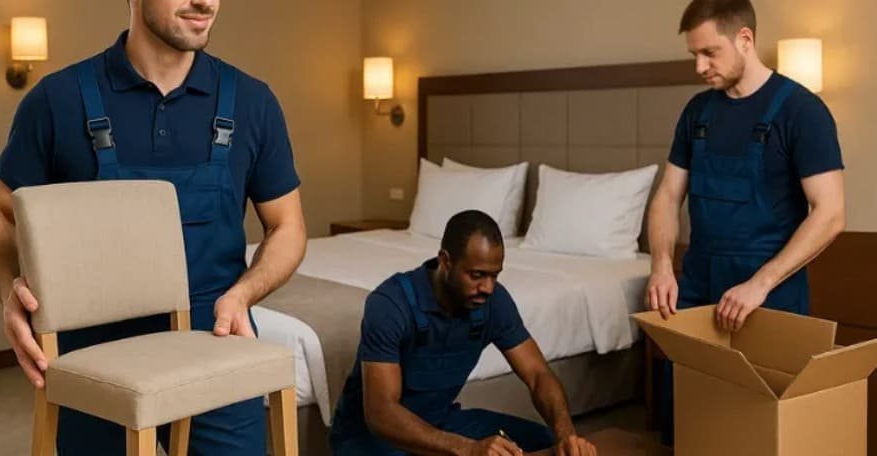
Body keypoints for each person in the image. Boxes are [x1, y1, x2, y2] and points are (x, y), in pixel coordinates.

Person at [0, 0, 307, 454]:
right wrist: (9, 291)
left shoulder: (253, 102)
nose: (205, 1)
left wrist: (242, 295)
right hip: (93, 354)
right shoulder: (58, 100)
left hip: (215, 336)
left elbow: (287, 227)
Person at [645, 0, 846, 444]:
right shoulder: (697, 113)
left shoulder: (802, 111)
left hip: (769, 296)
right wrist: (661, 264)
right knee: (690, 428)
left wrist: (760, 283)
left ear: (745, 40)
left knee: (762, 434)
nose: (699, 66)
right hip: (698, 289)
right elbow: (666, 196)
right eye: (693, 55)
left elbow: (830, 214)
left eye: (710, 53)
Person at [329, 210, 596, 456]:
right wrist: (467, 449)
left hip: (439, 421)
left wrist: (566, 436)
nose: (488, 288)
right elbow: (381, 414)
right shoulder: (390, 304)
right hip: (369, 439)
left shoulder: (493, 302)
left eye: (495, 275)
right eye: (477, 275)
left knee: (546, 441)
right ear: (446, 261)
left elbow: (538, 375)